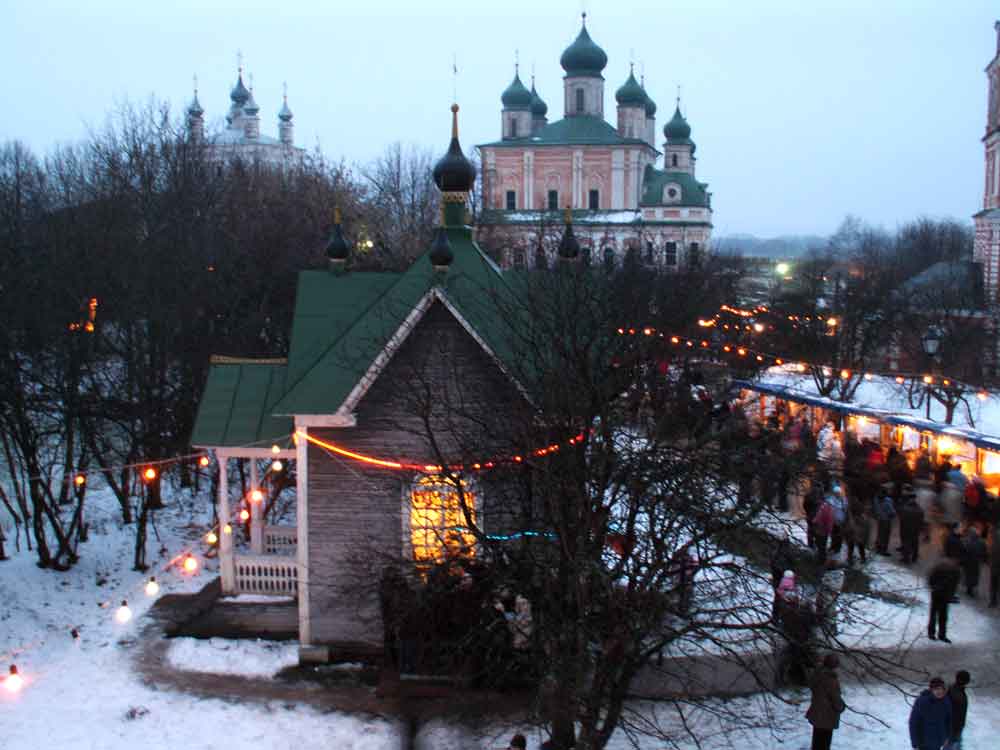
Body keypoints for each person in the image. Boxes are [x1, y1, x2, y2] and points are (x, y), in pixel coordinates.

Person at [805, 653, 846, 750]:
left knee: (817, 740)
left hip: (816, 712)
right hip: (827, 715)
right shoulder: (830, 679)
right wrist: (841, 707)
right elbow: (835, 698)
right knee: (824, 742)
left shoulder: (817, 674)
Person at [908, 676, 953, 750]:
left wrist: (947, 737)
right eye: (936, 689)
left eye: (941, 689)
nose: (939, 691)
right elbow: (913, 722)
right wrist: (915, 743)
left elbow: (948, 721)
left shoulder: (946, 702)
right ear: (931, 690)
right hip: (923, 743)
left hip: (938, 741)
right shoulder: (922, 701)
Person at [927, 557, 961, 643]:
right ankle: (941, 635)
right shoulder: (956, 571)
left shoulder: (939, 566)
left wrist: (933, 587)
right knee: (943, 615)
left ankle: (931, 633)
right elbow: (954, 585)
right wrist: (952, 595)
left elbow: (931, 577)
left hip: (937, 592)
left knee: (934, 613)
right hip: (945, 594)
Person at [959, 526, 987, 598]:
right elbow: (984, 551)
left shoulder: (967, 540)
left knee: (969, 575)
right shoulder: (981, 541)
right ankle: (970, 588)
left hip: (970, 561)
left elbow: (963, 550)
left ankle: (969, 588)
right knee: (973, 575)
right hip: (975, 561)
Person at [947, 670, 970, 749]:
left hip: (957, 726)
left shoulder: (959, 690)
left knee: (956, 746)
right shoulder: (954, 691)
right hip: (953, 727)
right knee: (951, 746)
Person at [898, 492, 924, 565]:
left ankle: (906, 558)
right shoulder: (920, 509)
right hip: (915, 529)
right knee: (915, 542)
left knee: (906, 543)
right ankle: (914, 557)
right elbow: (921, 520)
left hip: (906, 528)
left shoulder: (905, 508)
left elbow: (901, 518)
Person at [873, 486, 896, 556]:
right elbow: (892, 512)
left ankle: (878, 547)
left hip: (880, 519)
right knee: (885, 536)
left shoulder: (876, 499)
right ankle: (883, 550)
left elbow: (875, 509)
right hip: (886, 521)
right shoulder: (888, 501)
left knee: (880, 534)